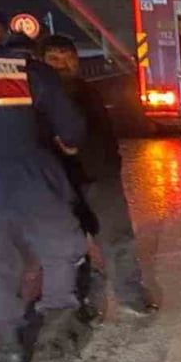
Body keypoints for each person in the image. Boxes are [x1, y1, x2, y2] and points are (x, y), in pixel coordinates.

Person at [0, 3, 89, 362]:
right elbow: (70, 127)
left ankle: (9, 340)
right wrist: (68, 144)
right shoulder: (29, 70)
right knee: (61, 243)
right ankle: (57, 317)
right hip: (30, 172)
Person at [41, 34, 156, 315]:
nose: (61, 64)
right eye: (53, 59)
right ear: (41, 62)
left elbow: (105, 133)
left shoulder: (88, 91)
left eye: (66, 57)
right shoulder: (38, 96)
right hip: (61, 181)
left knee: (118, 238)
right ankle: (79, 302)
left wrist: (112, 164)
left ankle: (130, 295)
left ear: (76, 60)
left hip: (101, 178)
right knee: (70, 247)